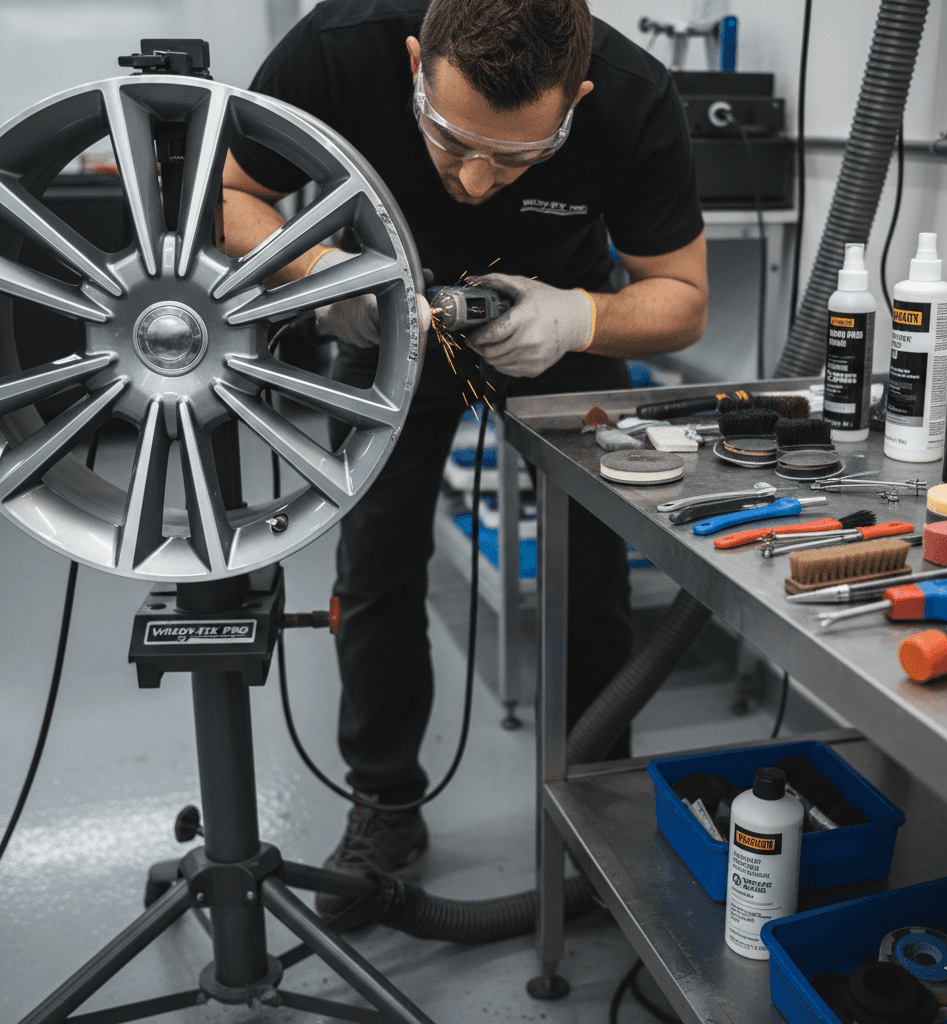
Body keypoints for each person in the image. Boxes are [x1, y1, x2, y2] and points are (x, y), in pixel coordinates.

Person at [223, 0, 707, 920]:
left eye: (521, 155)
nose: (479, 181)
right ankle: (387, 805)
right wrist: (328, 275)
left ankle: (598, 796)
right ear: (412, 61)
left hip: (557, 321)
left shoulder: (637, 96)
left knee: (594, 574)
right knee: (377, 562)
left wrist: (580, 317)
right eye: (451, 142)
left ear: (581, 96)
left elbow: (681, 297)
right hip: (381, 313)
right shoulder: (339, 47)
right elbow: (228, 196)